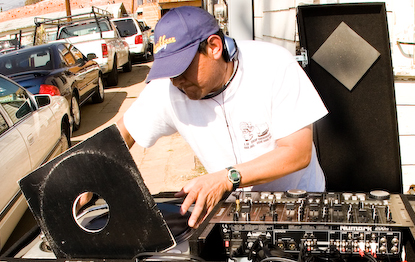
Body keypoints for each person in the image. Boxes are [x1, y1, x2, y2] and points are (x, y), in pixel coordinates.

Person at [118, 6, 328, 227]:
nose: (176, 81)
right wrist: (93, 179)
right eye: (168, 72)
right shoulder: (167, 90)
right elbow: (120, 136)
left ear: (214, 47)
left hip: (299, 208)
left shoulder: (274, 65)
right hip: (234, 213)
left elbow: (297, 152)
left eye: (181, 69)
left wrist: (227, 178)